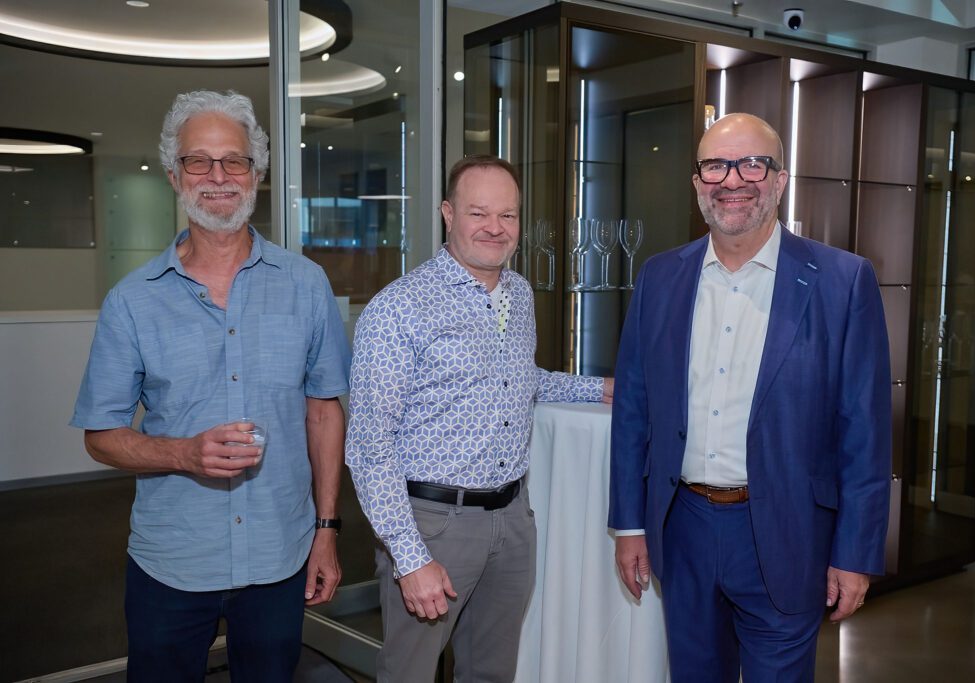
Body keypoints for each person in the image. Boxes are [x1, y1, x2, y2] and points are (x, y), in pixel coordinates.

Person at [70, 90, 351, 682]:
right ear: (175, 175)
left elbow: (324, 411)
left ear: (258, 173)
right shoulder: (131, 301)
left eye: (235, 161)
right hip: (171, 560)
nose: (218, 177)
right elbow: (101, 436)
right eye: (200, 161)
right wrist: (182, 453)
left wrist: (326, 531)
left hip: (280, 554)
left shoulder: (306, 284)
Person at [609, 113, 891, 682]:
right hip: (682, 529)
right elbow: (634, 409)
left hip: (786, 535)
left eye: (751, 164)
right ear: (697, 182)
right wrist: (630, 526)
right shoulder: (660, 278)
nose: (731, 179)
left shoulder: (843, 282)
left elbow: (865, 430)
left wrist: (855, 554)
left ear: (780, 180)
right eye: (715, 165)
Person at [346, 154, 613, 682]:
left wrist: (601, 388)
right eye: (479, 213)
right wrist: (409, 556)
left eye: (508, 215)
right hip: (431, 524)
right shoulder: (399, 307)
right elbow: (368, 445)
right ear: (448, 214)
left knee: (491, 674)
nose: (495, 227)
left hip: (513, 521)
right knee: (410, 674)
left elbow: (522, 381)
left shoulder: (518, 293)